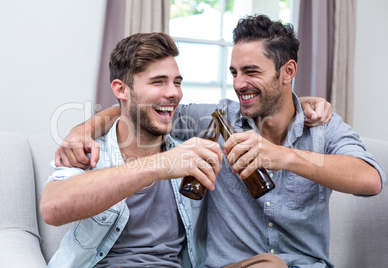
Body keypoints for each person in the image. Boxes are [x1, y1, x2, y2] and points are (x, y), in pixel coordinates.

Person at [53, 15, 384, 267]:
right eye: (234, 73)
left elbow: (369, 180)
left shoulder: (324, 128)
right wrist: (81, 131)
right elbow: (139, 109)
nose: (239, 84)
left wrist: (283, 156)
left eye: (251, 71)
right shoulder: (217, 120)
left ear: (287, 71)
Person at [41, 32, 290, 268]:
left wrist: (306, 104)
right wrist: (159, 165)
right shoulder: (90, 150)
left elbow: (267, 114)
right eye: (158, 82)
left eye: (177, 82)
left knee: (272, 264)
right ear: (120, 89)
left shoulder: (191, 148)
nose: (173, 93)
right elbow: (52, 209)